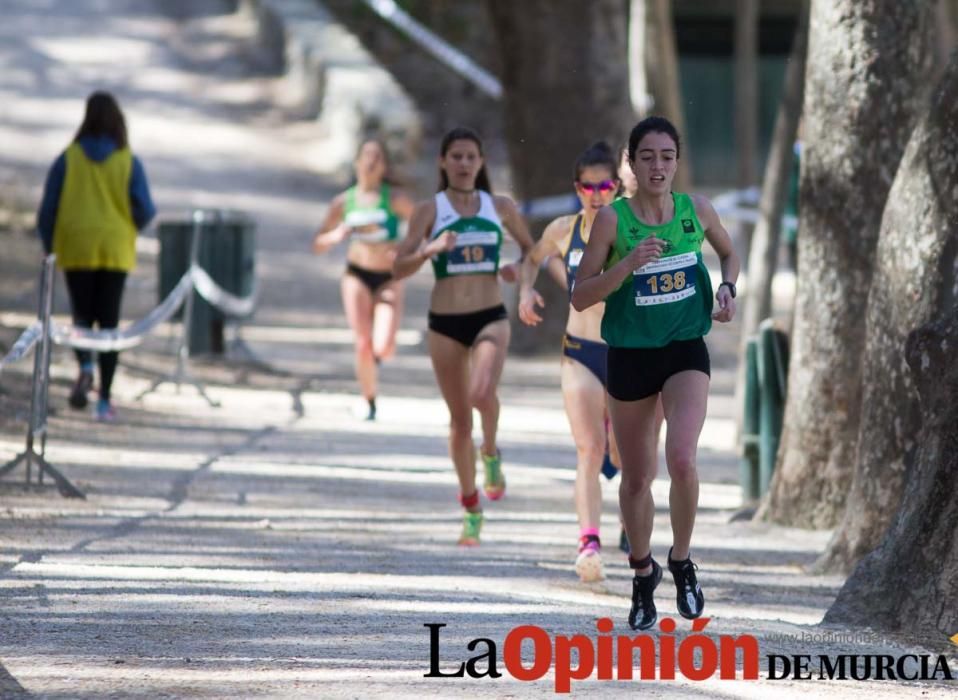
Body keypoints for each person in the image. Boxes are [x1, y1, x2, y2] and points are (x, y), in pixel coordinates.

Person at [571, 116, 740, 631]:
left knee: (683, 459)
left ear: (677, 162)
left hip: (685, 349)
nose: (659, 166)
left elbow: (730, 254)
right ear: (632, 162)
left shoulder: (696, 211)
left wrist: (729, 289)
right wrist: (626, 266)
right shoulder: (612, 221)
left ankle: (682, 561)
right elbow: (581, 294)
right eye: (648, 156)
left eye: (667, 156)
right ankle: (643, 573)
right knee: (637, 478)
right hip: (630, 354)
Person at [393, 126, 534, 546]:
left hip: (490, 315)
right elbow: (397, 268)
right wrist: (429, 251)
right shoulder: (428, 210)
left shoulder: (500, 207)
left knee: (481, 392)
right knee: (458, 422)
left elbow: (532, 251)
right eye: (456, 156)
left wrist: (519, 277)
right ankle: (471, 505)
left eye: (471, 156)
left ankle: (490, 451)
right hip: (445, 323)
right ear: (443, 162)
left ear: (481, 162)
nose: (464, 163)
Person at [518, 141, 624, 582]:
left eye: (605, 186)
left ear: (617, 187)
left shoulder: (630, 228)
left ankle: (630, 522)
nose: (597, 194)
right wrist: (526, 289)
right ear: (576, 189)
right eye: (588, 187)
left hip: (625, 351)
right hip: (580, 350)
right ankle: (588, 542)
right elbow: (533, 258)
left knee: (622, 453)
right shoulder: (565, 228)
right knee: (588, 449)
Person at [37, 91, 156, 422]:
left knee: (81, 316)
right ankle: (104, 401)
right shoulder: (128, 160)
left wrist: (49, 244)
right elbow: (146, 209)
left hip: (76, 244)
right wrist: (128, 225)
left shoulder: (68, 158)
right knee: (109, 324)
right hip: (114, 245)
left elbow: (48, 209)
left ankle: (85, 366)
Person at [312, 139, 415, 421]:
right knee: (362, 342)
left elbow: (423, 227)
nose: (371, 162)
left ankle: (374, 362)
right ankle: (368, 399)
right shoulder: (344, 202)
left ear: (384, 166)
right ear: (357, 162)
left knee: (383, 345)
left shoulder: (394, 199)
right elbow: (318, 243)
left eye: (377, 157)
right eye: (366, 156)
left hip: (388, 278)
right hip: (356, 274)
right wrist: (336, 236)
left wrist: (404, 248)